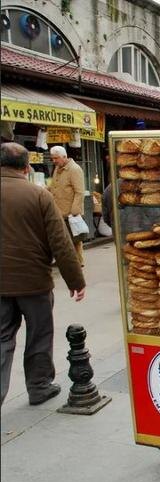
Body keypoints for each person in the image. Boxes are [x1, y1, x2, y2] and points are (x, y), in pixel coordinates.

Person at [1, 142, 86, 406]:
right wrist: (75, 280)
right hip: (34, 282)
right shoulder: (39, 196)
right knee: (39, 334)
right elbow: (60, 243)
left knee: (2, 338)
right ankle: (39, 386)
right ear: (27, 167)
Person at [49, 145, 85, 266]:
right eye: (52, 158)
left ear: (64, 157)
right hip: (58, 210)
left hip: (70, 211)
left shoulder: (74, 169)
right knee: (62, 238)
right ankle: (65, 261)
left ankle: (78, 262)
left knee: (75, 239)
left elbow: (79, 191)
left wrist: (74, 211)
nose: (54, 161)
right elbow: (54, 186)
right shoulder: (57, 168)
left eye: (56, 158)